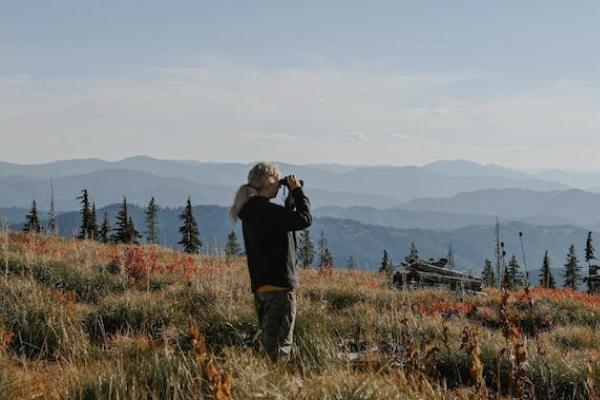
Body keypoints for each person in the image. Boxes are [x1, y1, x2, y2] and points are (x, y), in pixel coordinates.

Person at [229, 162, 312, 361]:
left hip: (262, 288)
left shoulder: (252, 210)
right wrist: (298, 192)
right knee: (278, 349)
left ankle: (265, 384)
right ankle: (272, 386)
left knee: (269, 343)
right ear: (268, 182)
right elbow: (304, 219)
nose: (280, 184)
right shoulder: (266, 210)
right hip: (279, 289)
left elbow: (281, 227)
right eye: (278, 180)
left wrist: (289, 203)